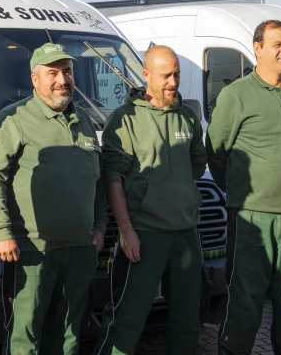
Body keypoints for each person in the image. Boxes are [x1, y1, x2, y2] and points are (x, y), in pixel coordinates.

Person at [0, 42, 107, 355]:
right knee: (26, 337)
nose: (62, 79)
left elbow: (98, 180)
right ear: (35, 79)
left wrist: (100, 225)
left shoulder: (85, 121)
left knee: (69, 335)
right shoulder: (13, 119)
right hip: (31, 250)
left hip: (79, 249)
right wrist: (3, 232)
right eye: (53, 73)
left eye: (67, 71)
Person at [94, 45, 206, 354]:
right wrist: (127, 231)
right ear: (146, 75)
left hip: (185, 233)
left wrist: (174, 192)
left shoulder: (187, 116)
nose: (173, 82)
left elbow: (196, 167)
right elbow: (112, 179)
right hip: (144, 234)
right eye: (166, 75)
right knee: (126, 319)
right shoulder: (124, 119)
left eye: (178, 74)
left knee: (187, 320)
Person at [208, 20, 281, 354]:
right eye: (277, 43)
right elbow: (217, 154)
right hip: (251, 218)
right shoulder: (236, 95)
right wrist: (241, 194)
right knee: (245, 304)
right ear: (258, 49)